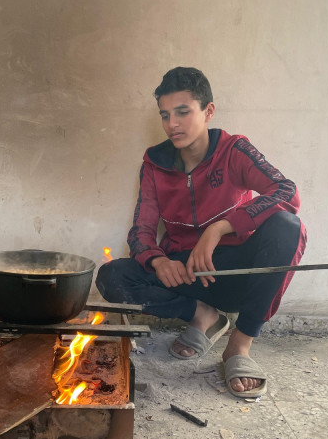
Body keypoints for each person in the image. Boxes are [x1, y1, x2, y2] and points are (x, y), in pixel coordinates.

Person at [95, 67, 306, 398]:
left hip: (235, 271)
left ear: (208, 111)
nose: (172, 124)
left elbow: (286, 191)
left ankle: (240, 344)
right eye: (165, 115)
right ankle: (202, 315)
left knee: (287, 227)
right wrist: (158, 262)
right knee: (112, 277)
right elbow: (141, 231)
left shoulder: (234, 150)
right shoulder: (155, 163)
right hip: (186, 273)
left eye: (182, 112)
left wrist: (219, 229)